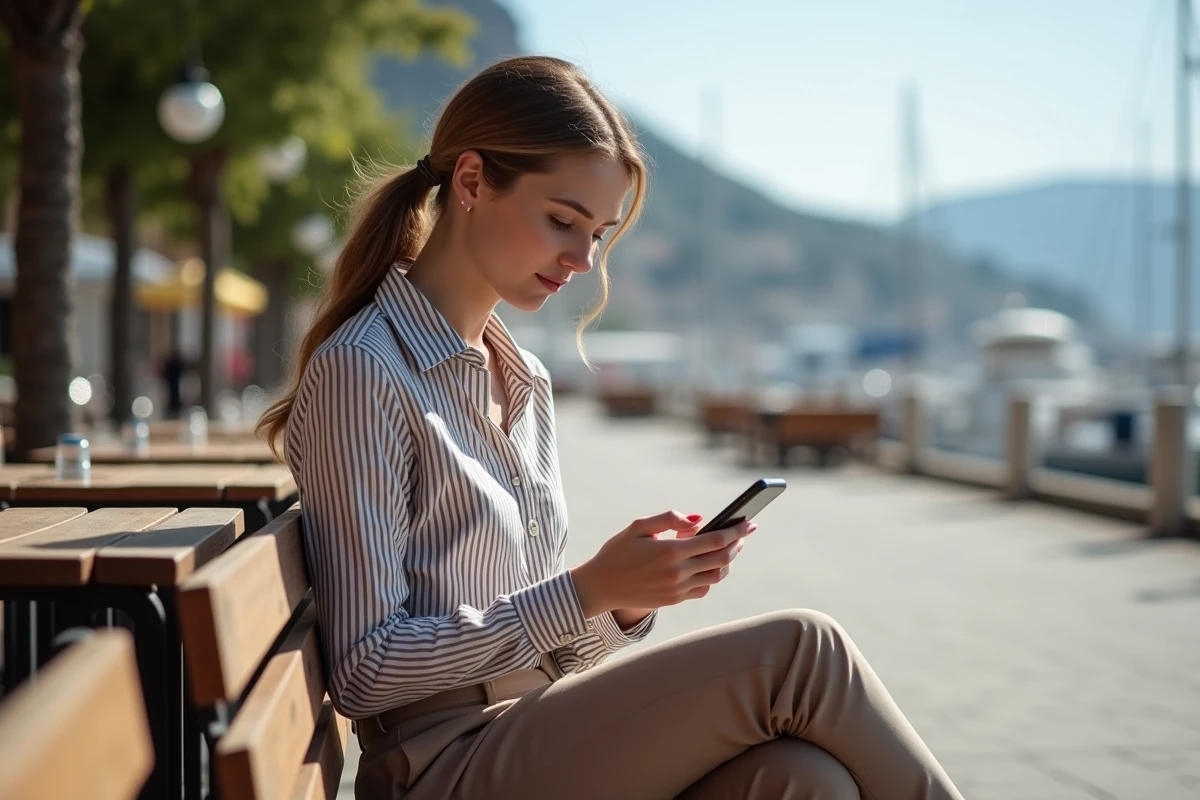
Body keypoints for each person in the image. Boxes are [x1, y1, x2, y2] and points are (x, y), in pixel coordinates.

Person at [258, 56, 963, 800]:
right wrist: (587, 588)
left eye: (598, 232)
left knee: (806, 780)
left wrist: (624, 601)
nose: (582, 259)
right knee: (803, 652)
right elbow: (364, 671)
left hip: (527, 732)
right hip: (439, 767)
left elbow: (546, 653)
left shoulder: (524, 378)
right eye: (562, 221)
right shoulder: (364, 370)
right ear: (471, 181)